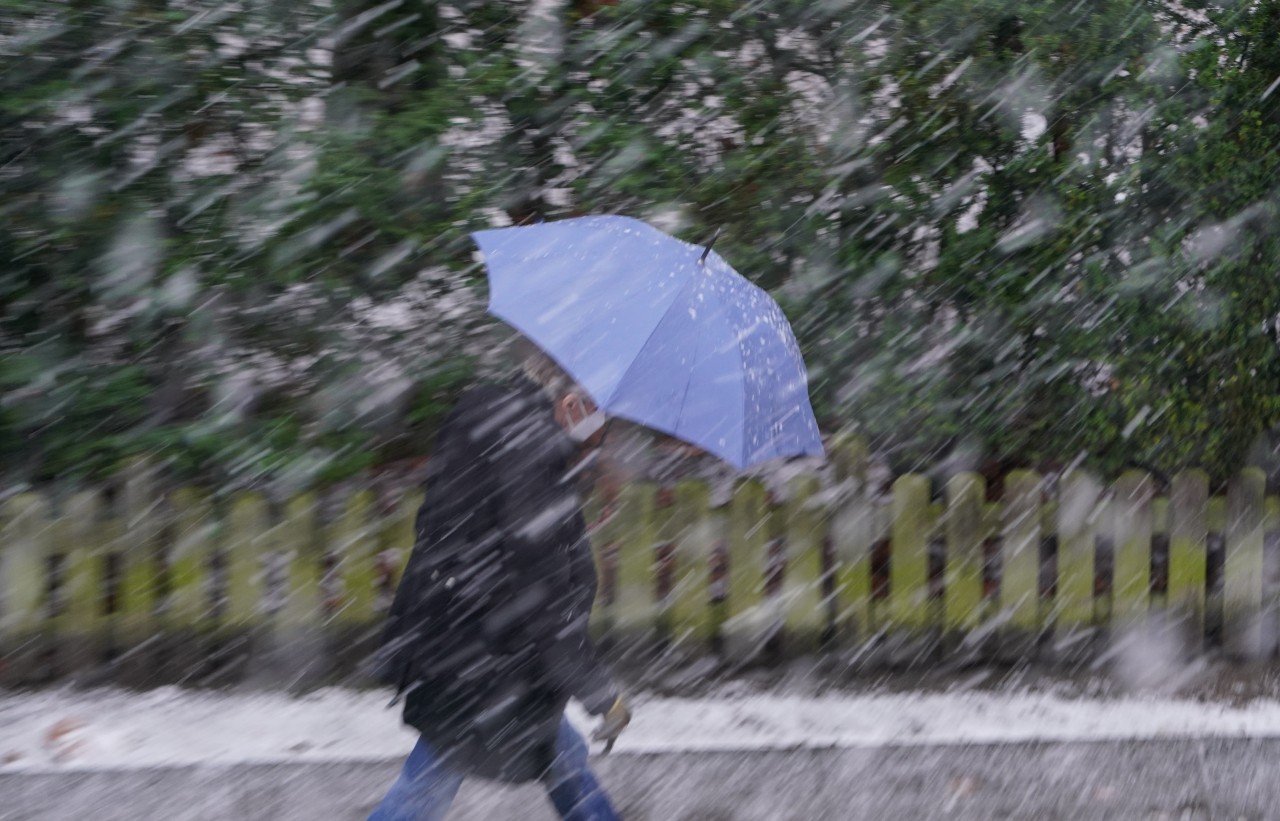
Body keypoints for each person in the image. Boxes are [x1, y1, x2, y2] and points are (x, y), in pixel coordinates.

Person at [368, 347, 631, 821]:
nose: (603, 432)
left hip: (456, 641)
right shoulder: (534, 458)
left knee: (562, 759)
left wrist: (571, 499)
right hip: (487, 666)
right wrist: (599, 694)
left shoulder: (488, 412)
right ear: (571, 403)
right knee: (427, 787)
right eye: (600, 414)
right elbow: (544, 594)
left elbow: (483, 527)